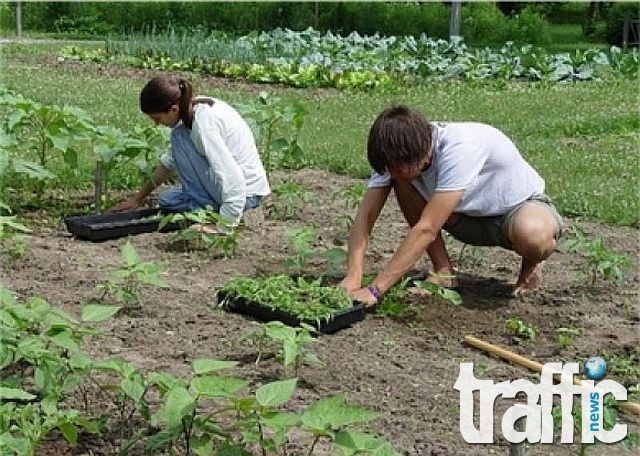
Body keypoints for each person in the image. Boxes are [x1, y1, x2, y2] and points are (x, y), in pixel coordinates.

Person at [340, 105, 563, 306]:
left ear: (422, 154)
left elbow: (427, 228)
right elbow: (366, 216)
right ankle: (444, 272)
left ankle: (532, 264)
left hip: (516, 210)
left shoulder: (460, 147)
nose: (391, 174)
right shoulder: (395, 155)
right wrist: (353, 276)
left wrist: (374, 290)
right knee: (402, 183)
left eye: (396, 168)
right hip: (465, 218)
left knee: (533, 236)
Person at [111, 75, 271, 233]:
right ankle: (207, 206)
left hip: (245, 193)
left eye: (158, 118)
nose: (157, 123)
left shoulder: (204, 124)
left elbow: (231, 176)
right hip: (232, 190)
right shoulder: (188, 110)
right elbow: (168, 163)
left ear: (174, 109)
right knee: (167, 200)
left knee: (178, 137)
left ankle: (213, 213)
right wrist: (137, 199)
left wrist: (225, 225)